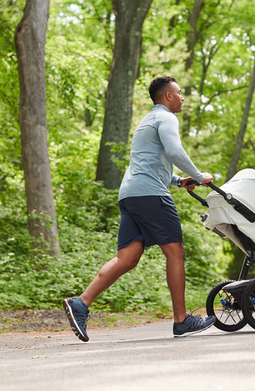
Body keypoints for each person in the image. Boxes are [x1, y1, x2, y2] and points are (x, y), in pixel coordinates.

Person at [63, 76, 215, 341]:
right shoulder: (167, 118)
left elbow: (150, 163)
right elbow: (175, 152)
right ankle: (181, 320)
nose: (182, 97)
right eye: (179, 93)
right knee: (175, 252)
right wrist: (199, 176)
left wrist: (179, 181)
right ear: (167, 96)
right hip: (150, 195)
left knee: (128, 258)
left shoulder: (147, 121)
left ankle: (81, 303)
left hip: (130, 195)